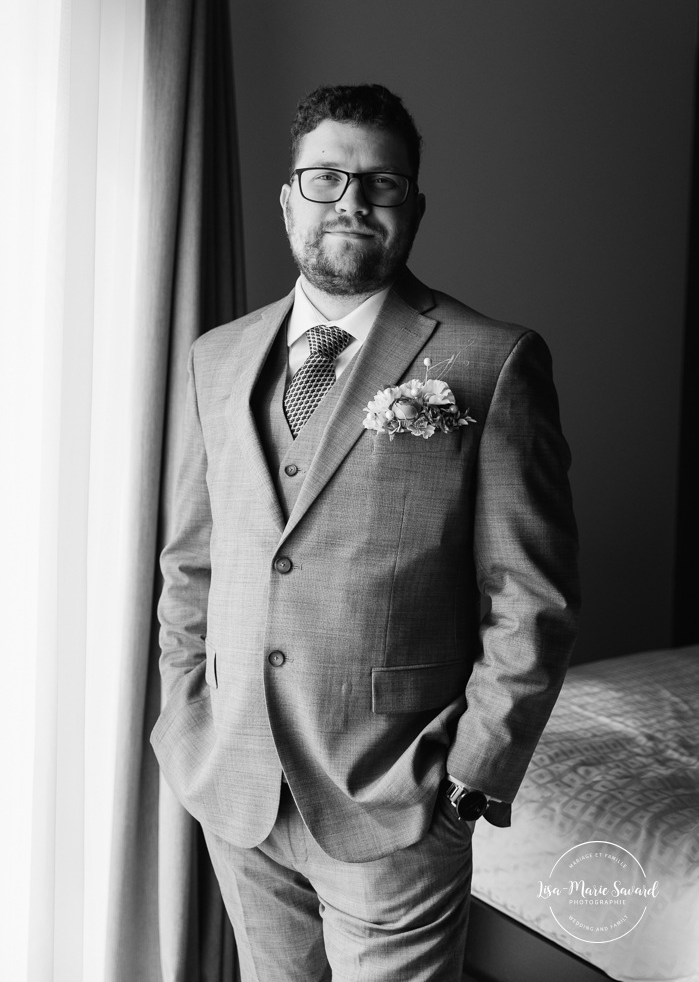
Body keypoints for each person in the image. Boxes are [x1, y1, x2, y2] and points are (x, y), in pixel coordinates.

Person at [151, 83, 580, 982]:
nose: (352, 201)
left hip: (394, 801)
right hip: (234, 787)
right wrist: (186, 713)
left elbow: (528, 596)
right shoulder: (218, 356)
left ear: (413, 206)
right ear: (287, 199)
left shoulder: (488, 360)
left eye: (382, 184)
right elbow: (193, 558)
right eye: (326, 177)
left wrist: (472, 775)